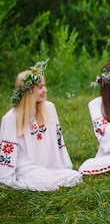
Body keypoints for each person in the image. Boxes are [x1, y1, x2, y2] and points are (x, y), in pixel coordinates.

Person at [0, 60, 82, 190]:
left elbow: (59, 142)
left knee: (75, 176)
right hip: (28, 171)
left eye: (44, 85)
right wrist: (7, 179)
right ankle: (25, 184)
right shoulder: (11, 118)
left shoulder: (49, 108)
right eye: (40, 87)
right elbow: (7, 153)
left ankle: (51, 182)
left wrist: (65, 166)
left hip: (50, 168)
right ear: (28, 91)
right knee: (44, 179)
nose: (45, 90)